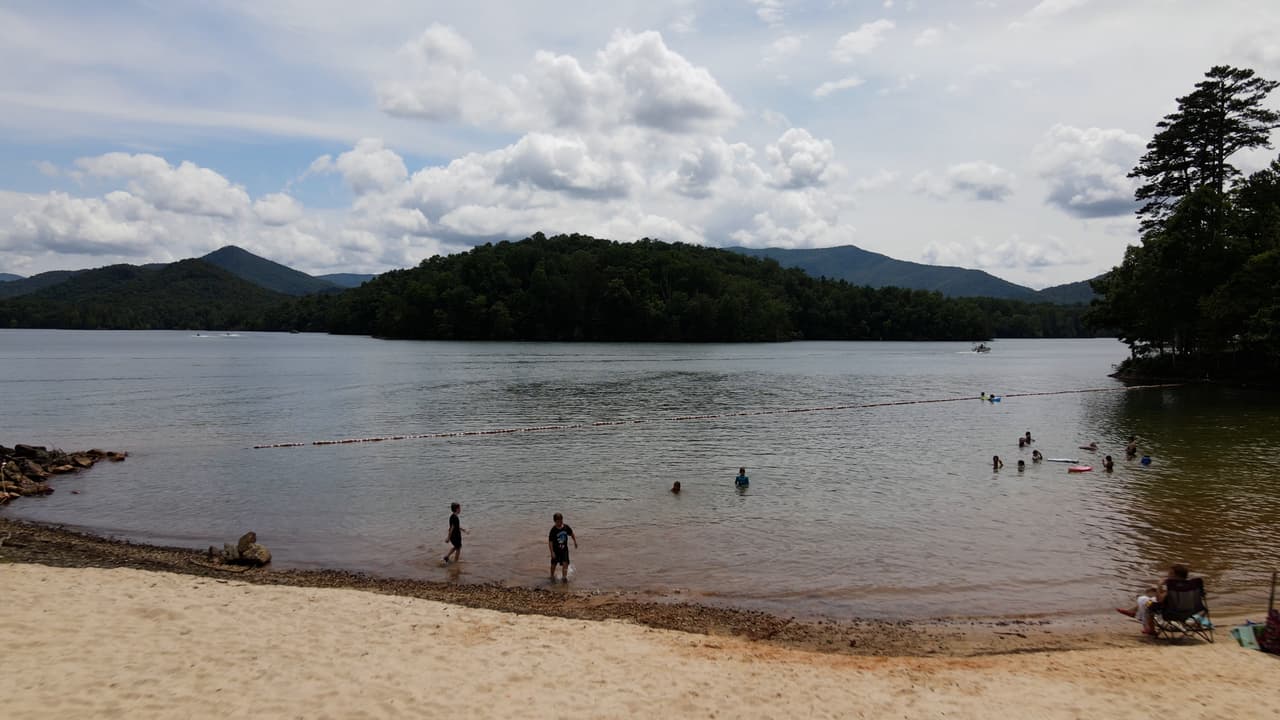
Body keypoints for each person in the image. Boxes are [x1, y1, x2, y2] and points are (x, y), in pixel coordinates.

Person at [547, 512, 578, 582]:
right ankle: (551, 576)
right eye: (558, 521)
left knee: (565, 563)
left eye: (561, 520)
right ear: (555, 521)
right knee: (553, 564)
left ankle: (564, 577)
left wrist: (575, 542)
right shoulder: (553, 530)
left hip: (564, 550)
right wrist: (552, 552)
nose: (560, 522)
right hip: (555, 550)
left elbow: (571, 533)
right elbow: (550, 542)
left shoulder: (566, 527)